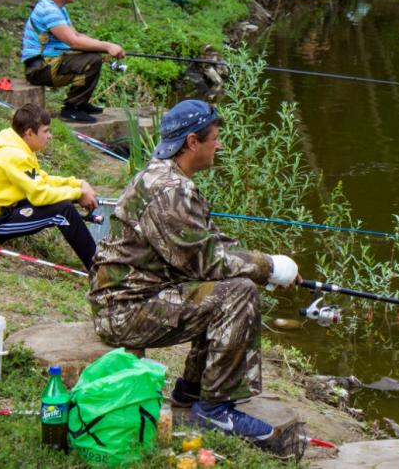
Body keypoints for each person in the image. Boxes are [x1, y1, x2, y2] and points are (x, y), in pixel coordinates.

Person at [87, 99, 301, 445]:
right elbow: (208, 262)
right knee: (238, 292)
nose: (219, 145)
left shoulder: (169, 179)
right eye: (214, 138)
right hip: (124, 310)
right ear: (192, 142)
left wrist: (273, 267)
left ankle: (192, 389)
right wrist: (269, 267)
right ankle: (215, 411)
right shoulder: (170, 189)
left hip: (133, 299)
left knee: (225, 286)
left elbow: (209, 243)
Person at [0, 103, 99, 269]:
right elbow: (40, 195)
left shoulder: (16, 147)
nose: (49, 136)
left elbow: (41, 180)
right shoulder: (16, 156)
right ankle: (99, 269)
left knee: (60, 201)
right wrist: (78, 194)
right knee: (63, 210)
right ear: (29, 133)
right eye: (45, 131)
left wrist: (78, 184)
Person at [21, 0, 125, 123]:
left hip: (50, 62)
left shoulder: (58, 8)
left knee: (95, 56)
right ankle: (71, 109)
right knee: (92, 61)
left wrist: (104, 47)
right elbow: (73, 42)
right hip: (39, 69)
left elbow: (77, 36)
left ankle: (81, 104)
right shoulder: (49, 10)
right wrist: (107, 46)